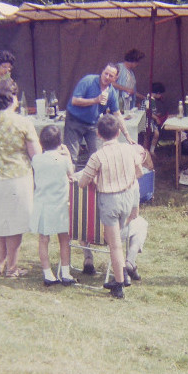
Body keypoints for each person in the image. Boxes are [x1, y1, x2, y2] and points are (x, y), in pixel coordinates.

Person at [0, 78, 42, 278]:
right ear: (13, 98)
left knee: (1, 222)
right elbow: (36, 154)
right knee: (15, 225)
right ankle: (12, 268)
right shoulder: (23, 122)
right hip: (18, 178)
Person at [78, 114, 147, 299]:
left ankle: (119, 283)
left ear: (98, 135)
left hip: (109, 200)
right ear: (118, 132)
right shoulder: (129, 150)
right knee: (121, 238)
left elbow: (82, 183)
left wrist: (96, 177)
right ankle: (124, 271)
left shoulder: (97, 156)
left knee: (115, 246)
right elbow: (139, 172)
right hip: (127, 197)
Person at [30, 125, 76, 287]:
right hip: (60, 204)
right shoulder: (63, 159)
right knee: (64, 239)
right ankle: (65, 272)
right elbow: (71, 174)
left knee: (43, 239)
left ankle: (47, 273)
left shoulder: (36, 159)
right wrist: (68, 156)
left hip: (43, 204)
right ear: (60, 142)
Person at [64, 63, 134, 169]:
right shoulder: (88, 81)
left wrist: (127, 135)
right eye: (106, 73)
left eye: (111, 76)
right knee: (71, 156)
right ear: (102, 72)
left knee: (97, 156)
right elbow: (74, 100)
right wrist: (95, 100)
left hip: (92, 124)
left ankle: (94, 183)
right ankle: (71, 183)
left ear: (115, 78)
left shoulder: (111, 92)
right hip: (74, 121)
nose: (107, 77)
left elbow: (117, 115)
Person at [141, 82, 168, 153]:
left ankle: (151, 151)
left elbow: (151, 111)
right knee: (147, 137)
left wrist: (156, 114)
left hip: (150, 120)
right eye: (160, 94)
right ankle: (145, 152)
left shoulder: (151, 99)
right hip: (146, 121)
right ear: (157, 93)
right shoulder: (148, 99)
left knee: (155, 134)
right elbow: (147, 111)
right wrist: (156, 118)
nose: (161, 95)